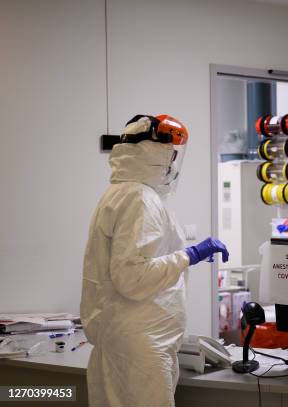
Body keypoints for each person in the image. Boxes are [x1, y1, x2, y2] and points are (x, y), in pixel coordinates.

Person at [81, 115, 229, 407]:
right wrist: (191, 254)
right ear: (155, 152)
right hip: (141, 347)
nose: (173, 163)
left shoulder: (118, 193)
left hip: (123, 341)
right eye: (171, 153)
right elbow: (131, 278)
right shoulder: (140, 198)